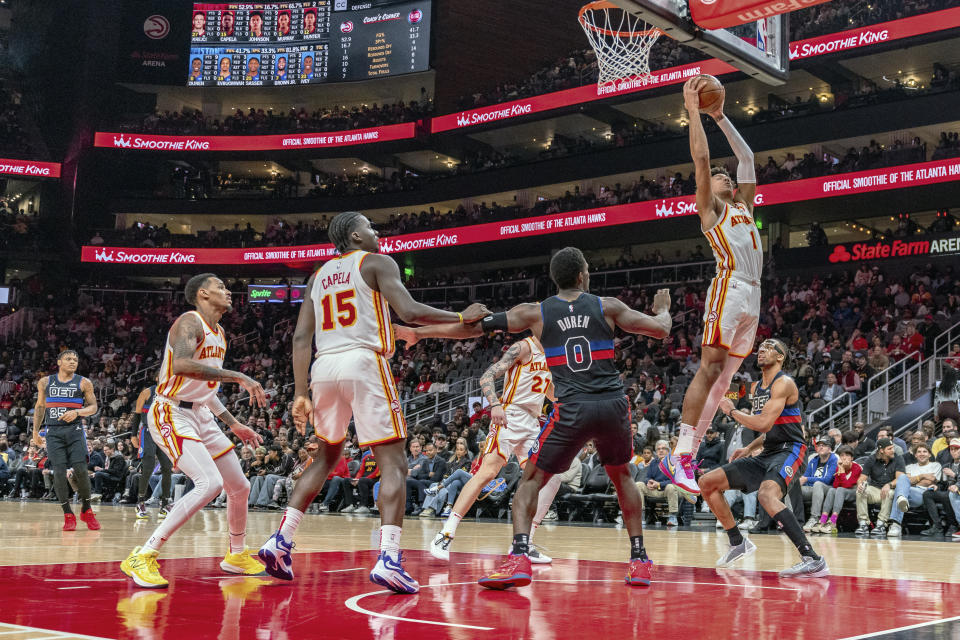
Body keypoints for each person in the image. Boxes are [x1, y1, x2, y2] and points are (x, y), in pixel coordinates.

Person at [257, 211, 487, 594]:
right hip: (364, 361)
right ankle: (389, 558)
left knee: (326, 457)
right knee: (394, 461)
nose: (377, 232)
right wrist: (463, 314)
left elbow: (300, 340)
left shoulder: (317, 278)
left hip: (323, 367)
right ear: (354, 235)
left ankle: (280, 541)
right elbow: (410, 311)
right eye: (370, 227)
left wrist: (300, 392)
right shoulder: (376, 262)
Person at [432, 246, 671, 589]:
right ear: (582, 276)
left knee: (530, 481)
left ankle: (518, 557)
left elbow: (479, 326)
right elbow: (661, 329)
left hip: (572, 408)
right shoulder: (608, 306)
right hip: (612, 404)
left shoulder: (535, 313)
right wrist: (662, 310)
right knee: (623, 479)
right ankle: (639, 559)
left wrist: (456, 318)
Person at [120, 274, 269, 588]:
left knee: (239, 487)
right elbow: (182, 366)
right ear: (203, 293)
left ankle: (236, 555)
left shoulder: (220, 333)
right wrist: (237, 376)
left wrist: (233, 424)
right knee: (209, 483)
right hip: (171, 410)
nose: (228, 291)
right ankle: (144, 554)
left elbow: (207, 388)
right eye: (221, 287)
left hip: (201, 413)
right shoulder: (189, 323)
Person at [661, 76, 762, 497]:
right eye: (719, 176)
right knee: (710, 369)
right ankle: (680, 452)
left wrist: (720, 116)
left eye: (727, 175)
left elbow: (748, 155)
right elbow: (702, 161)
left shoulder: (744, 205)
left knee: (724, 382)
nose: (723, 175)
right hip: (730, 286)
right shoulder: (712, 209)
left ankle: (692, 450)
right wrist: (692, 113)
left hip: (754, 293)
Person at [397, 329, 561, 563]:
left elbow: (552, 393)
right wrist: (494, 404)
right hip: (509, 414)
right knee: (487, 472)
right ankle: (445, 534)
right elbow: (485, 377)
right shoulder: (524, 347)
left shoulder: (554, 356)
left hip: (532, 421)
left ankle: (524, 543)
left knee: (552, 477)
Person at [702, 339, 829, 578]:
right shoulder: (757, 387)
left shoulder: (784, 383)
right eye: (760, 346)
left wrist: (730, 410)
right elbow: (769, 429)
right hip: (768, 450)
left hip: (791, 450)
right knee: (707, 483)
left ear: (780, 357)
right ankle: (738, 542)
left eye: (770, 347)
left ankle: (812, 558)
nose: (762, 349)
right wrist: (749, 447)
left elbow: (762, 422)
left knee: (767, 495)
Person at [32, 350, 100, 531]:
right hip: (53, 432)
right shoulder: (45, 382)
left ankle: (87, 509)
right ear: (59, 362)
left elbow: (93, 407)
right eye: (68, 359)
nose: (73, 362)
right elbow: (40, 407)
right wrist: (35, 432)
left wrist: (77, 412)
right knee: (59, 472)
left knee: (81, 470)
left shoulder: (84, 382)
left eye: (75, 360)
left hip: (75, 431)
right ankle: (68, 514)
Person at [132, 385, 173, 520]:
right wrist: (133, 435)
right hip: (148, 432)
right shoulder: (147, 392)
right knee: (148, 468)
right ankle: (140, 502)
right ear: (157, 378)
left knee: (167, 468)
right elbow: (137, 413)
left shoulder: (172, 392)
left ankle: (165, 503)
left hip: (164, 433)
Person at [854, 438, 906, 537]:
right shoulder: (871, 459)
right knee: (860, 491)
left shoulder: (898, 459)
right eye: (889, 449)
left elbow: (900, 479)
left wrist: (889, 485)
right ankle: (863, 524)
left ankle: (881, 524)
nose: (893, 451)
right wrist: (860, 484)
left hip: (891, 490)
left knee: (889, 492)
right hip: (875, 489)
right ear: (881, 450)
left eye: (893, 448)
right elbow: (862, 478)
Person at [811, 445, 861, 533]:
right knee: (831, 490)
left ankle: (833, 521)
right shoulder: (839, 467)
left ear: (852, 458)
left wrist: (841, 471)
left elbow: (847, 485)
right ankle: (822, 520)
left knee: (840, 490)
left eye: (847, 455)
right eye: (842, 455)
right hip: (841, 491)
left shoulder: (856, 468)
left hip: (854, 492)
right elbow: (835, 485)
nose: (844, 458)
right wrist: (841, 469)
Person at [800, 435, 838, 531]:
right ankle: (791, 518)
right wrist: (799, 482)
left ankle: (814, 518)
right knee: (792, 487)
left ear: (830, 449)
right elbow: (805, 476)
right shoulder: (813, 460)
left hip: (828, 489)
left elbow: (827, 480)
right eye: (819, 445)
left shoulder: (834, 459)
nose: (820, 447)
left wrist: (807, 479)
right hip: (812, 489)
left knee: (818, 484)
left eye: (824, 445)